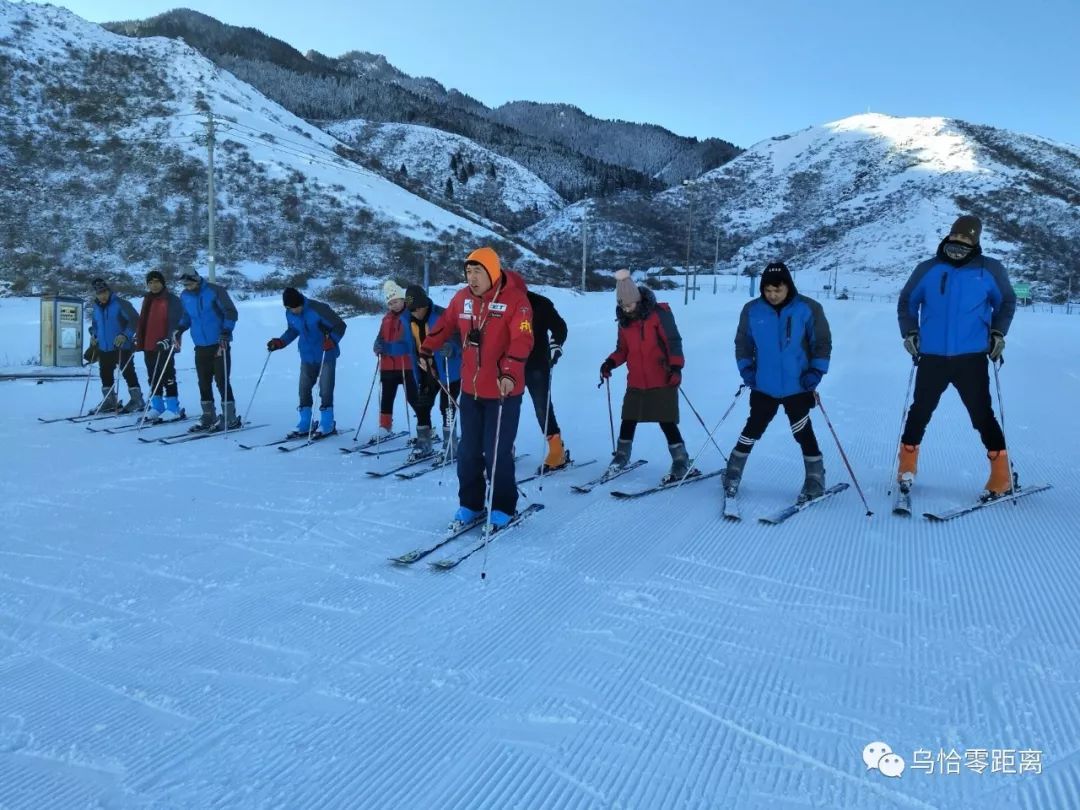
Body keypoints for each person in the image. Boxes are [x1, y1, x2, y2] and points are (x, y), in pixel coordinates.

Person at [896, 214, 1017, 496]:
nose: (960, 241)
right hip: (932, 356)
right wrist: (910, 332)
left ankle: (1002, 474)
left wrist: (998, 333)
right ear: (950, 235)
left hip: (971, 358)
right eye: (957, 236)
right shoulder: (928, 269)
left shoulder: (989, 269)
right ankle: (906, 466)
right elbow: (907, 302)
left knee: (981, 415)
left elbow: (1007, 302)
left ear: (975, 240)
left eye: (967, 238)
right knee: (920, 411)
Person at [418, 247, 533, 530]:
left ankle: (504, 507)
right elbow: (443, 326)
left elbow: (522, 340)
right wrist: (426, 350)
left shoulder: (516, 302)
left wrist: (509, 373)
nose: (472, 277)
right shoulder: (462, 299)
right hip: (471, 391)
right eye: (468, 272)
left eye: (478, 271)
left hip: (503, 391)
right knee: (468, 450)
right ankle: (470, 504)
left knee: (496, 452)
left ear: (492, 271)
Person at [724, 261, 832, 503]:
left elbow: (822, 343)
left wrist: (816, 372)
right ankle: (732, 471)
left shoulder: (808, 308)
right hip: (764, 385)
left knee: (803, 432)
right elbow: (743, 344)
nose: (772, 295)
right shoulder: (752, 310)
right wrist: (747, 371)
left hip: (798, 385)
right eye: (767, 291)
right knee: (752, 429)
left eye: (778, 290)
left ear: (788, 287)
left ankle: (815, 477)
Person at [599, 269, 689, 484]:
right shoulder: (625, 322)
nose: (626, 309)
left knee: (666, 421)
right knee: (628, 418)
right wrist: (610, 362)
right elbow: (623, 349)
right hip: (637, 380)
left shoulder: (658, 314)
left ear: (638, 300)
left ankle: (681, 460)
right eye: (622, 306)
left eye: (629, 304)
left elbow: (673, 341)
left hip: (662, 377)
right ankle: (621, 456)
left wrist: (676, 368)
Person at [267, 287, 348, 436]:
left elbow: (340, 326)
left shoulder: (318, 309)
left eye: (295, 308)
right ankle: (305, 422)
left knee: (325, 390)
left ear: (301, 302)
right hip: (306, 356)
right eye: (289, 308)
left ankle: (327, 422)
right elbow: (293, 330)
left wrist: (333, 341)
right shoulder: (290, 312)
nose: (293, 311)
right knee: (303, 390)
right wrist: (280, 342)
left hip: (326, 355)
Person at [173, 270, 240, 432]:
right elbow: (187, 316)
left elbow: (231, 312)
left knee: (221, 380)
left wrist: (226, 331)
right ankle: (209, 415)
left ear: (196, 280)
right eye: (185, 285)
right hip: (200, 345)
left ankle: (230, 417)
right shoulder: (185, 296)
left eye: (189, 284)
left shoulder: (214, 291)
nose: (187, 287)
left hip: (219, 343)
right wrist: (180, 328)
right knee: (203, 382)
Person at [402, 284, 461, 462]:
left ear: (425, 305)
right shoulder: (406, 318)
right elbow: (410, 344)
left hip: (448, 369)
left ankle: (450, 446)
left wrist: (451, 348)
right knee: (422, 405)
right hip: (425, 369)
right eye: (410, 309)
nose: (414, 312)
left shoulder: (443, 315)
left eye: (416, 309)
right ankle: (424, 444)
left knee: (447, 408)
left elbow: (461, 337)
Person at [525, 290, 571, 473]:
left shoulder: (540, 304)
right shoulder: (499, 303)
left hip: (537, 364)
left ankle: (556, 451)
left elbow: (560, 327)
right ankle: (504, 448)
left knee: (541, 406)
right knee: (504, 408)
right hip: (508, 364)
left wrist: (555, 345)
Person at [88, 278, 143, 413]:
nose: (103, 295)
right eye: (99, 293)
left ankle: (137, 400)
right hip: (104, 347)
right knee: (105, 373)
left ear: (109, 291)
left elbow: (135, 321)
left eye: (104, 292)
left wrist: (125, 335)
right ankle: (110, 400)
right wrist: (94, 335)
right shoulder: (96, 307)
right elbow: (95, 325)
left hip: (121, 346)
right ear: (96, 294)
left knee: (128, 372)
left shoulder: (120, 304)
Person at [371, 280, 417, 441]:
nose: (394, 305)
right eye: (390, 303)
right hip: (388, 365)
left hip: (407, 365)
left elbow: (410, 341)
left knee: (413, 397)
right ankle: (385, 426)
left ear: (403, 300)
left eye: (396, 301)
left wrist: (390, 348)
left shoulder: (410, 316)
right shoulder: (386, 319)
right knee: (387, 397)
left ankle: (424, 426)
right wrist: (377, 345)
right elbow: (380, 337)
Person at [135, 269, 184, 421]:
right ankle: (157, 406)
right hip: (149, 344)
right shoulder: (147, 299)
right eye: (150, 282)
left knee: (168, 375)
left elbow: (176, 321)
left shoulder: (171, 299)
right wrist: (139, 337)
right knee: (153, 376)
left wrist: (168, 339)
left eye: (156, 282)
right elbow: (144, 321)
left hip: (165, 344)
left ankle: (173, 407)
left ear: (162, 283)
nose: (153, 285)